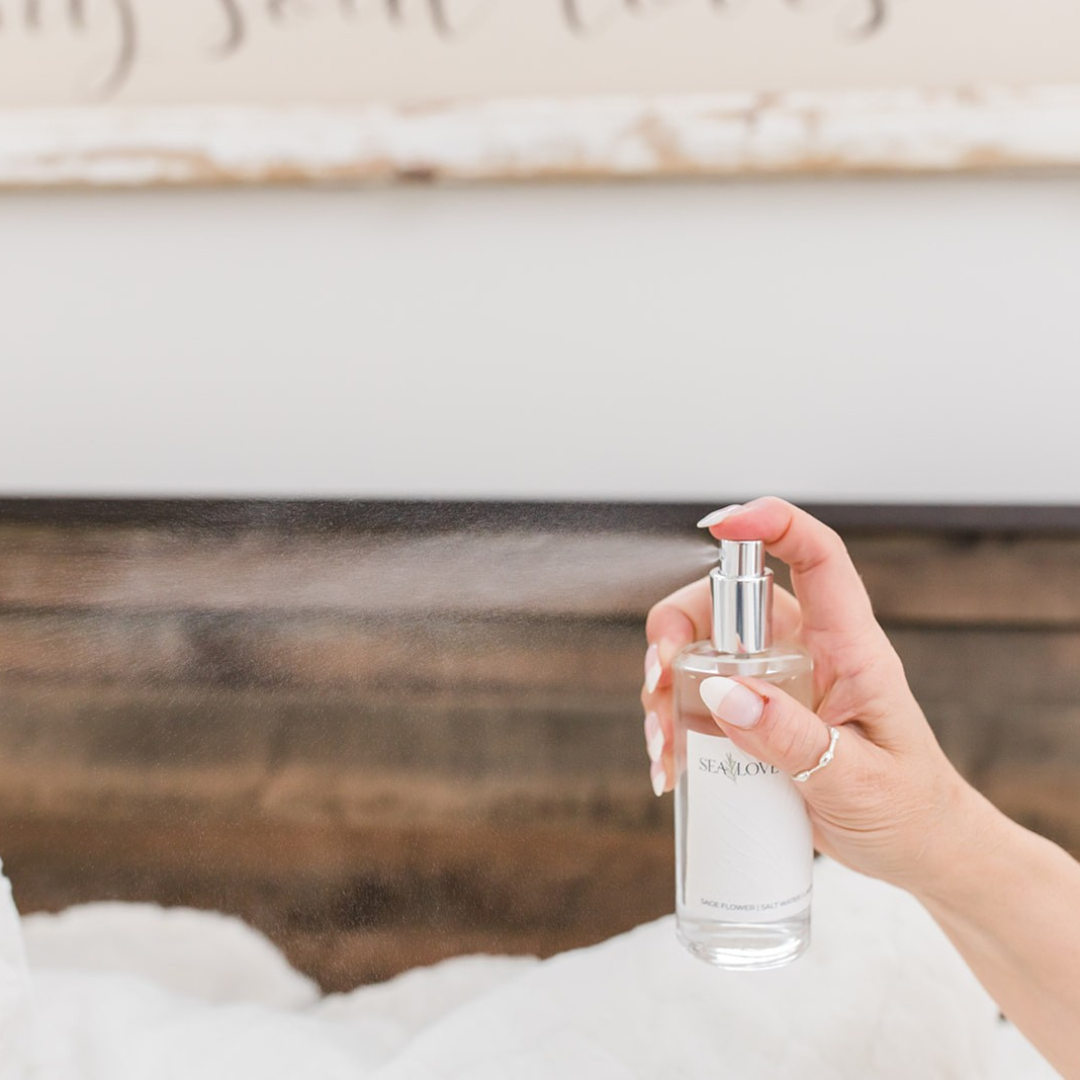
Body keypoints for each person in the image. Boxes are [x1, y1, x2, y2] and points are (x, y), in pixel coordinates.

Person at [641, 497, 1080, 1079]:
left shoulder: (791, 663)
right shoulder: (704, 663)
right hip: (709, 922)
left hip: (782, 922)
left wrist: (933, 827)